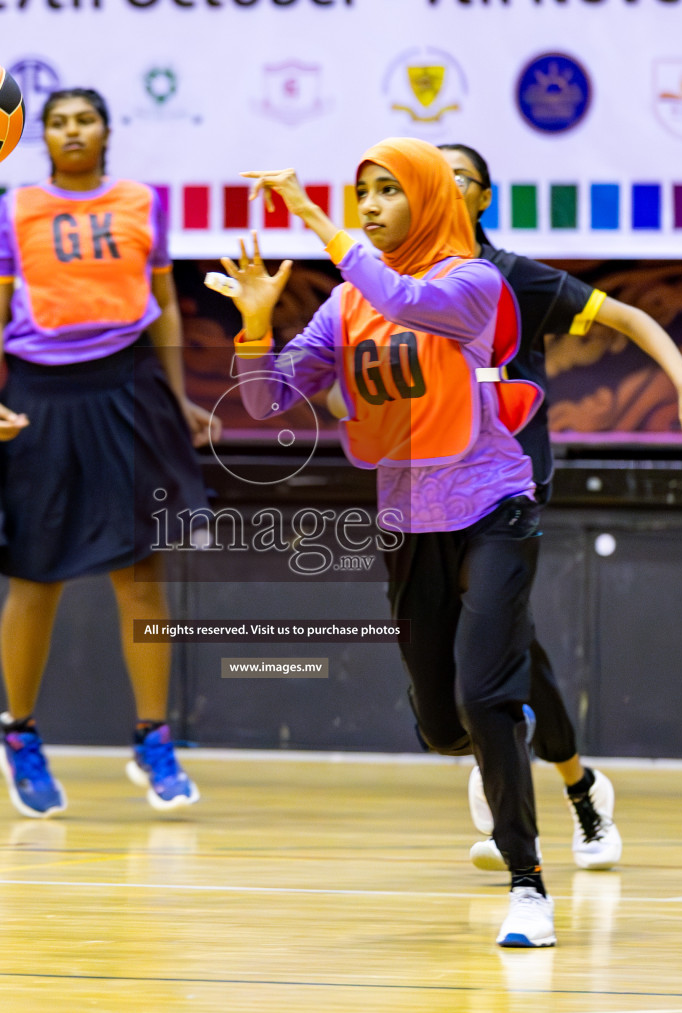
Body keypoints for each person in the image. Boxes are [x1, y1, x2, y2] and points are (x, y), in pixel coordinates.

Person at [217, 138, 565, 947]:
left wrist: (309, 217)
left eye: (387, 191)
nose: (369, 206)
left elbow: (408, 303)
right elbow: (268, 403)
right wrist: (257, 325)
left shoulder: (472, 284)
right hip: (411, 525)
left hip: (494, 509)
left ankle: (528, 885)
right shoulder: (345, 305)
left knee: (487, 696)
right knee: (445, 727)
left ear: (432, 199)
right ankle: (488, 757)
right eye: (360, 193)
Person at [434, 142, 682, 874]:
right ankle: (581, 786)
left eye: (456, 178)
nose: (439, 189)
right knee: (505, 652)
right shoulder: (396, 288)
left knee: (490, 656)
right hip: (429, 493)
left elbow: (630, 317)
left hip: (508, 486)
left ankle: (516, 817)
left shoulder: (513, 280)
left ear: (482, 198)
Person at [0, 88, 219, 818]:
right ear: (43, 136)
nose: (72, 130)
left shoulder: (142, 201)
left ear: (107, 130)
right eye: (58, 121)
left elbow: (167, 303)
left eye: (84, 119)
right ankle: (19, 736)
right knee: (34, 577)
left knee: (141, 572)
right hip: (42, 396)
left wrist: (175, 397)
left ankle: (152, 738)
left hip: (129, 386)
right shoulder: (17, 209)